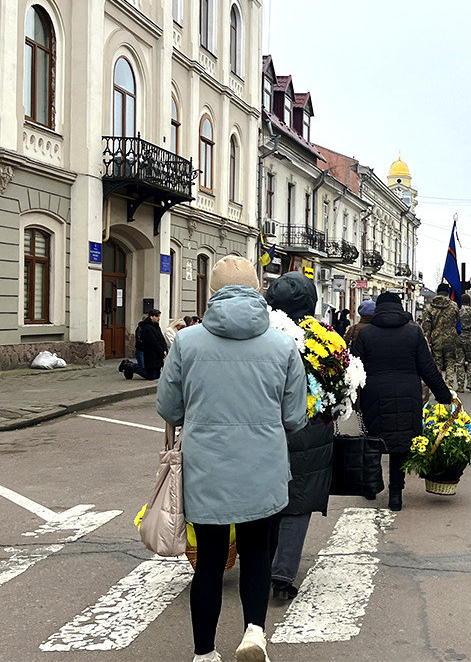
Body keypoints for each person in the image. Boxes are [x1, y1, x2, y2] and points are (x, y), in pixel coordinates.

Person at [156, 256, 307, 662]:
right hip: (264, 471)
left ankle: (204, 653)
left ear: (213, 294)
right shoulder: (283, 345)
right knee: (258, 553)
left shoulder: (187, 342)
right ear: (258, 290)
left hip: (208, 471)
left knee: (208, 560)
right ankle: (254, 634)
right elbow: (294, 417)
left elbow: (169, 408)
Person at [263, 272, 334, 602]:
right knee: (298, 500)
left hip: (266, 426)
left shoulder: (262, 335)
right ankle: (283, 576)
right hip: (311, 429)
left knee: (266, 497)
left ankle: (262, 565)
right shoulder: (325, 340)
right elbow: (338, 385)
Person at [352, 292, 453, 512]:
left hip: (374, 394)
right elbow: (427, 367)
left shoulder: (366, 334)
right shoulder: (413, 332)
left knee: (374, 442)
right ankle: (395, 496)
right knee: (399, 446)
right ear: (400, 308)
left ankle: (371, 487)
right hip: (408, 393)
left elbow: (354, 368)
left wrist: (347, 399)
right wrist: (444, 395)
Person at [421, 283, 463, 391]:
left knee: (437, 364)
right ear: (447, 293)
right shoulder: (454, 306)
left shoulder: (430, 307)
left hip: (436, 339)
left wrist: (426, 339)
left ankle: (438, 388)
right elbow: (456, 320)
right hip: (451, 338)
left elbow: (427, 326)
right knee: (450, 362)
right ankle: (449, 386)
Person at [120, 309, 168, 380]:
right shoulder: (147, 328)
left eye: (159, 316)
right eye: (156, 316)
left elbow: (161, 339)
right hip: (151, 354)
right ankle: (131, 366)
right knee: (150, 376)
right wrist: (161, 351)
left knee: (157, 376)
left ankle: (132, 366)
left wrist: (165, 350)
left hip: (157, 355)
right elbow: (153, 342)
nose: (159, 318)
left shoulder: (156, 326)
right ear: (151, 317)